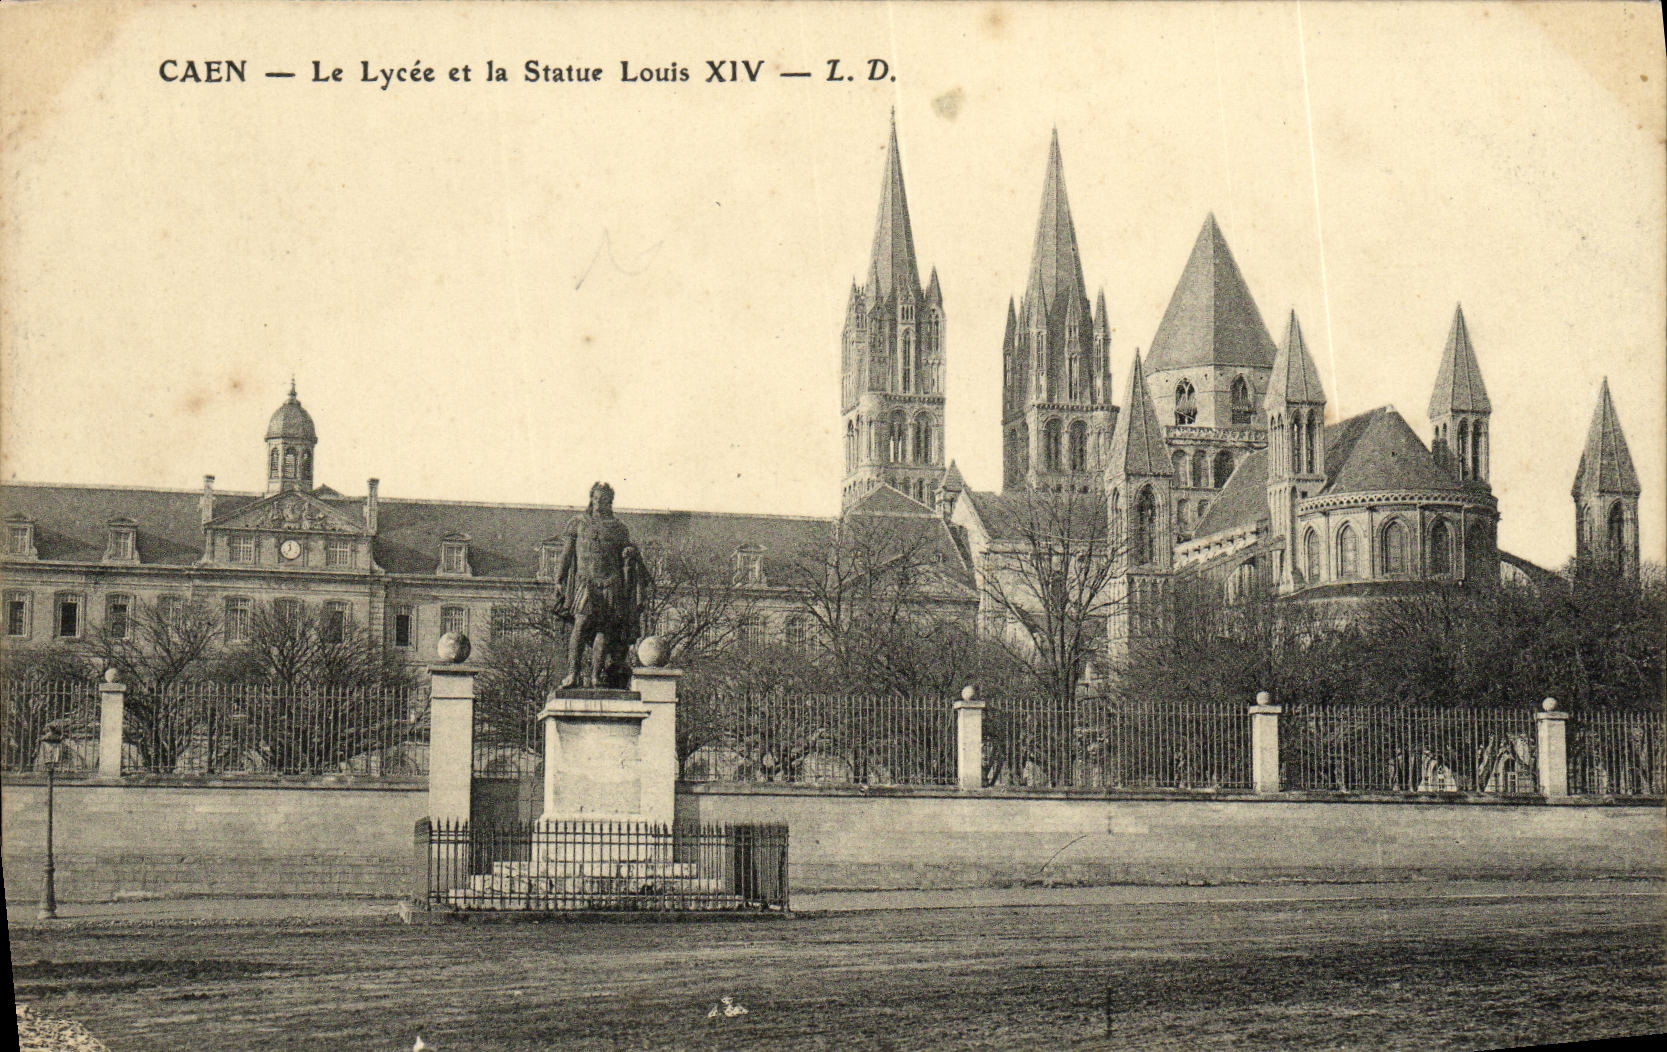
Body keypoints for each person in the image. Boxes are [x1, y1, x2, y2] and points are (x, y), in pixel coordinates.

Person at [552, 482, 649, 688]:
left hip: (611, 583)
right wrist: (559, 579)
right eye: (596, 498)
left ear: (610, 502)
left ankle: (595, 675)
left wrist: (629, 553)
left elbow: (627, 555)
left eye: (604, 499)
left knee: (603, 631)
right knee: (580, 625)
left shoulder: (620, 528)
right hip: (585, 582)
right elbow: (566, 554)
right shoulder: (577, 523)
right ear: (591, 498)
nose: (599, 503)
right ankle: (573, 673)